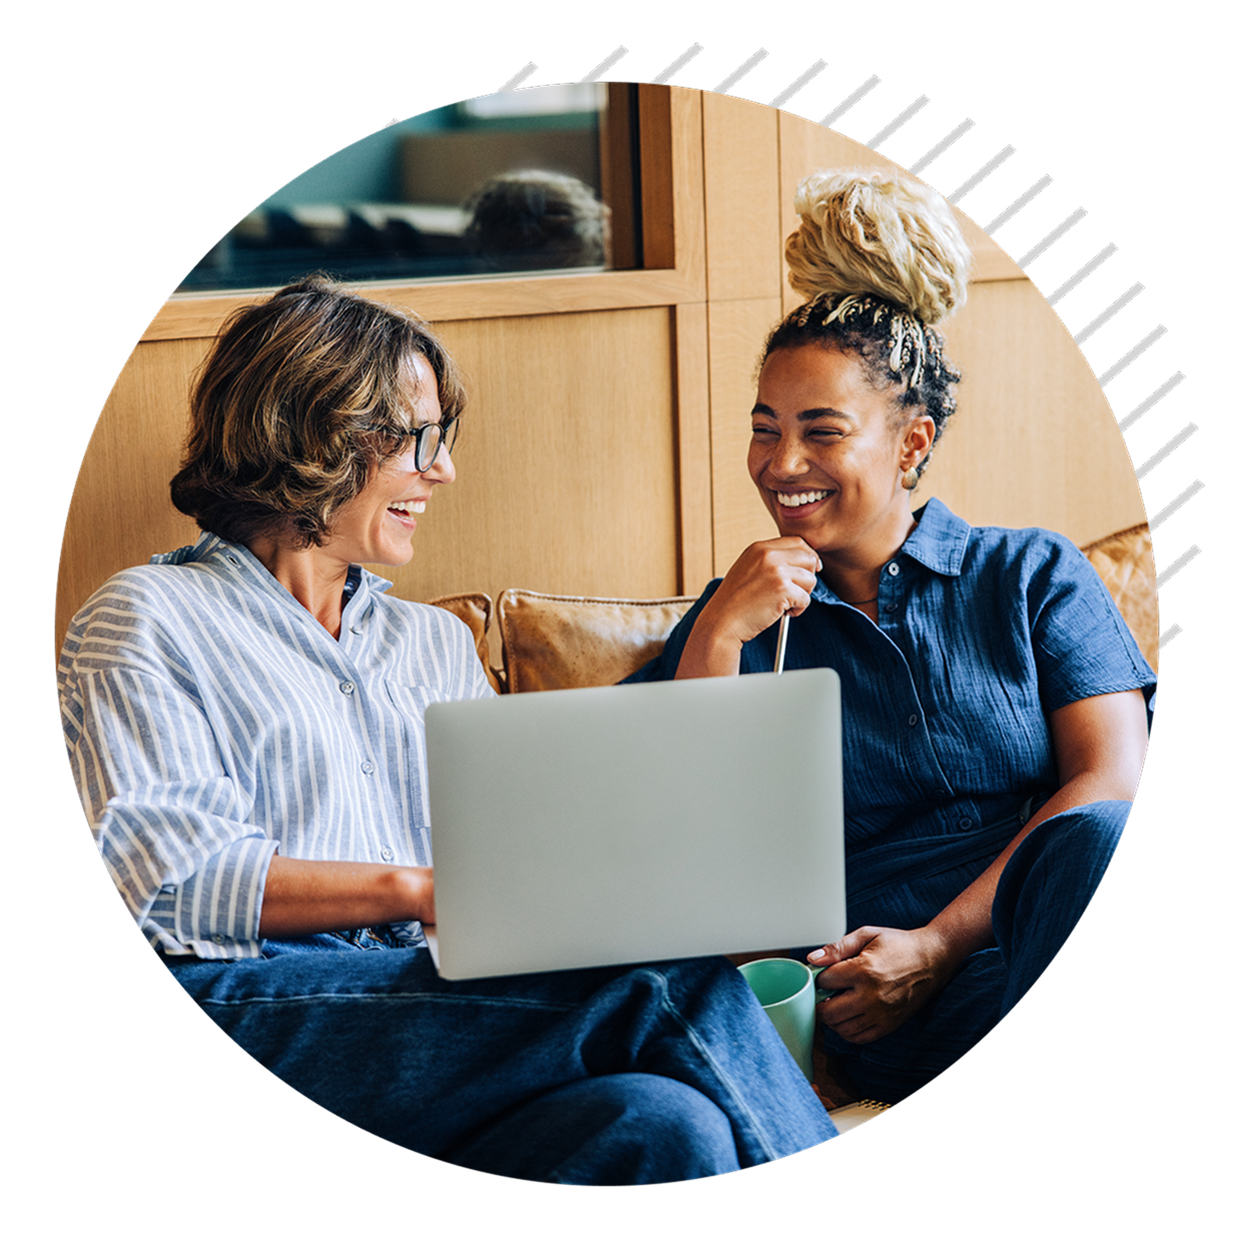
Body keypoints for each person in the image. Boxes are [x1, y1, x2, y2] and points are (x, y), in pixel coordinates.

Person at [58, 275, 837, 1184]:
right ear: (316, 432)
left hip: (425, 1005)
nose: (444, 470)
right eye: (419, 438)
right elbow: (171, 884)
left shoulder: (431, 643)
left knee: (665, 1128)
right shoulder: (144, 617)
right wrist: (421, 888)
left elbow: (508, 857)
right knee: (667, 981)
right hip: (246, 996)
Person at [625, 170, 1155, 1105]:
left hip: (1018, 935)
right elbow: (672, 841)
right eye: (764, 430)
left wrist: (940, 944)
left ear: (911, 444)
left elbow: (1110, 778)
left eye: (820, 433)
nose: (781, 466)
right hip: (868, 1002)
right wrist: (712, 637)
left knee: (1104, 835)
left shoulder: (1030, 574)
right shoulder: (739, 615)